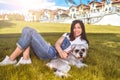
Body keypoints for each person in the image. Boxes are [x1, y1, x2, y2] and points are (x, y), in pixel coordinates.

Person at [0, 19, 89, 66]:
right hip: (51, 49)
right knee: (26, 29)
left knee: (29, 32)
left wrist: (63, 54)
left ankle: (11, 59)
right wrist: (61, 51)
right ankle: (26, 58)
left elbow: (80, 56)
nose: (76, 30)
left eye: (79, 27)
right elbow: (57, 43)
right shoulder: (67, 34)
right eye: (74, 27)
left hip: (52, 55)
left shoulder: (83, 42)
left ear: (82, 29)